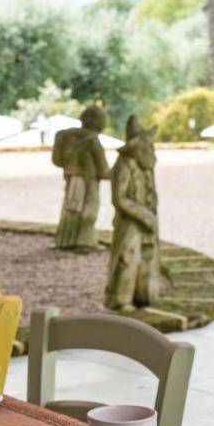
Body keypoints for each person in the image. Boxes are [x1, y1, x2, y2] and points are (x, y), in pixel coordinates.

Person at [105, 115, 164, 309]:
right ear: (137, 147)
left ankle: (143, 294)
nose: (152, 152)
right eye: (148, 147)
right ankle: (121, 299)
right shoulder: (124, 166)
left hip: (146, 221)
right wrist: (143, 215)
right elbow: (119, 198)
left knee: (147, 258)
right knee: (128, 258)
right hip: (129, 222)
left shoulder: (145, 167)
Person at [50, 105, 110, 252]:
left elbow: (57, 160)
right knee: (88, 209)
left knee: (70, 208)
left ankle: (64, 240)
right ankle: (85, 242)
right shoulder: (92, 140)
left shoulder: (65, 136)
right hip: (89, 181)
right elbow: (103, 170)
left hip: (71, 178)